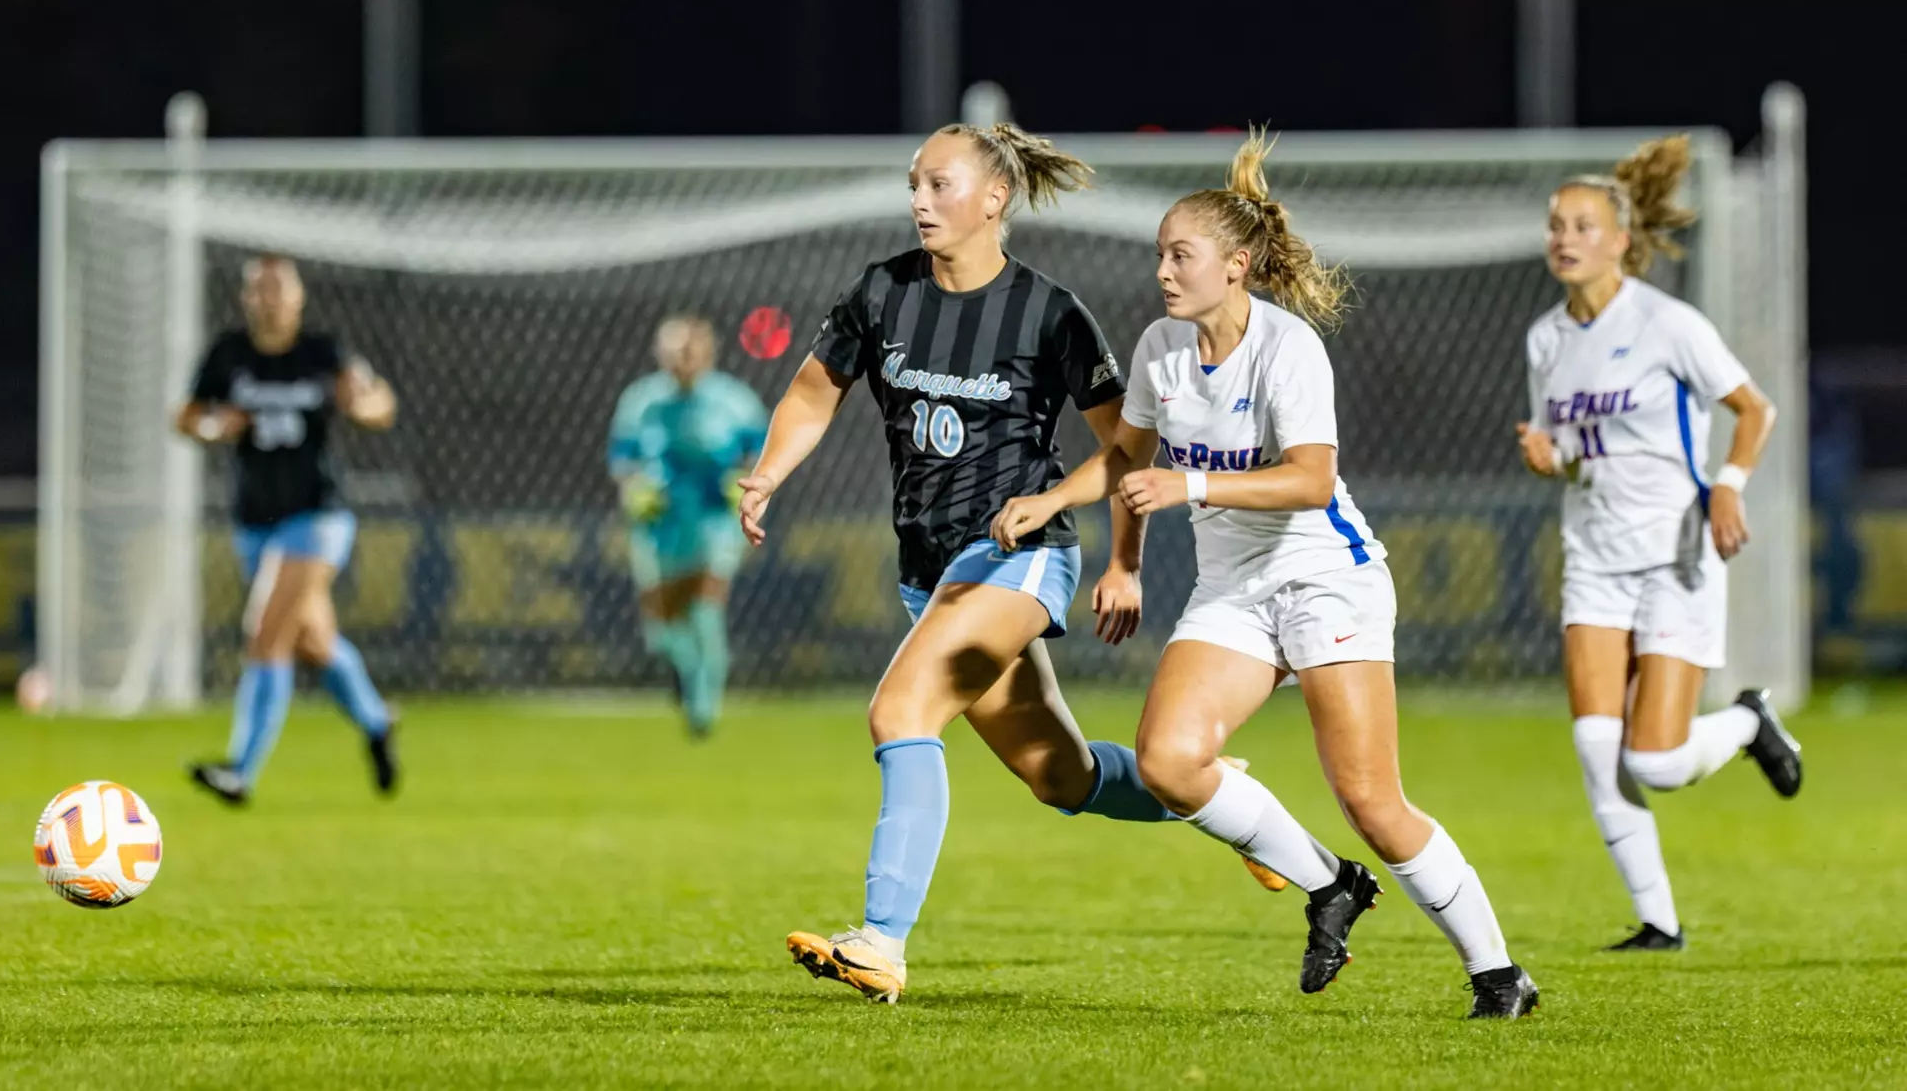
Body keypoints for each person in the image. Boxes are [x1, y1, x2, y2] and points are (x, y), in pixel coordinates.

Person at [741, 122, 1305, 1004]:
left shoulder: (1047, 311)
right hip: (929, 569)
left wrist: (1122, 557)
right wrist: (770, 471)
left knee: (899, 712)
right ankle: (1216, 794)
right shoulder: (882, 291)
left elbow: (1127, 446)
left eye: (938, 185)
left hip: (1019, 556)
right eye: (914, 186)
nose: (919, 201)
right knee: (1061, 776)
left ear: (993, 199)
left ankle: (881, 943)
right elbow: (816, 388)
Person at [993, 129, 1540, 1019]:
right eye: (1160, 254)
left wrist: (1192, 482)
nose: (1164, 270)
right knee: (1171, 764)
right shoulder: (1160, 347)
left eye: (1182, 254)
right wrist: (1074, 517)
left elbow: (1310, 479)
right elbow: (1129, 463)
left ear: (1236, 264)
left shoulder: (1286, 348)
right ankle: (1329, 885)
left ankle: (1497, 974)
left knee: (1369, 795)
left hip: (1326, 576)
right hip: (1233, 589)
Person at [1517, 135, 1799, 952]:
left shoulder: (1666, 323)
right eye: (1553, 225)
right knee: (1595, 749)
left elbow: (1754, 409)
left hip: (1674, 553)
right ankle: (1658, 924)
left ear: (1618, 240)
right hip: (1593, 558)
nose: (1562, 238)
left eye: (1579, 225)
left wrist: (1727, 486)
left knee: (1660, 762)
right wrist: (1547, 456)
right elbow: (1568, 449)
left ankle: (1747, 723)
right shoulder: (1544, 340)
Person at [178, 254, 400, 804]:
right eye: (260, 289)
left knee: (266, 632)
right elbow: (186, 417)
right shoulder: (228, 355)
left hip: (317, 517)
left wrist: (364, 406)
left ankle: (241, 770)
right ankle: (376, 721)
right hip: (256, 521)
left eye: (280, 288)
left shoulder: (324, 353)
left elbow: (379, 401)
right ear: (246, 298)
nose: (270, 298)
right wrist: (213, 426)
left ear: (298, 298)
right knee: (314, 642)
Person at [608, 315, 768, 738]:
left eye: (690, 349)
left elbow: (761, 453)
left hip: (714, 523)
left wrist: (746, 487)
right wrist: (634, 491)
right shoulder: (641, 402)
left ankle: (703, 709)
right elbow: (623, 461)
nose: (683, 358)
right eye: (675, 349)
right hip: (661, 525)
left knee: (705, 608)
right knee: (661, 626)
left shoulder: (735, 402)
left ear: (707, 352)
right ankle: (684, 668)